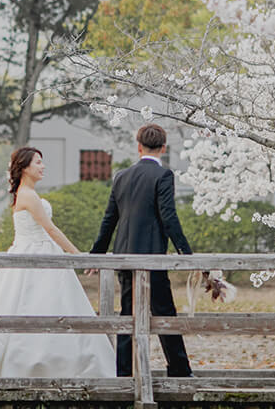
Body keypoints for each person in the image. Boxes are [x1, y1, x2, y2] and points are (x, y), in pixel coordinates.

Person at [0, 146, 116, 377]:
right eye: (38, 162)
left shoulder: (24, 193)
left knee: (50, 305)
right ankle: (35, 365)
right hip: (36, 254)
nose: (42, 166)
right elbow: (50, 229)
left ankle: (53, 362)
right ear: (25, 167)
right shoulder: (27, 195)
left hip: (37, 251)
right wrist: (78, 256)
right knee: (36, 304)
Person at [89, 123, 194, 378]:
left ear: (138, 147)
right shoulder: (163, 176)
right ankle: (179, 370)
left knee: (128, 315)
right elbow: (169, 217)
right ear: (163, 148)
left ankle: (124, 373)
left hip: (124, 257)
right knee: (165, 313)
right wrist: (186, 254)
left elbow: (109, 219)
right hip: (151, 259)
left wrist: (96, 254)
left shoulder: (121, 176)